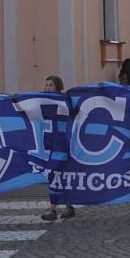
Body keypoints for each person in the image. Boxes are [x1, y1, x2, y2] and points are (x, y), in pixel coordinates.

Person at [40, 75, 77, 221]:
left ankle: (53, 209)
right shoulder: (40, 101)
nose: (48, 87)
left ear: (58, 87)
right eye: (46, 85)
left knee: (55, 173)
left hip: (62, 143)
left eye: (51, 85)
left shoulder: (64, 101)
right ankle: (68, 206)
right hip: (48, 143)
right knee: (56, 176)